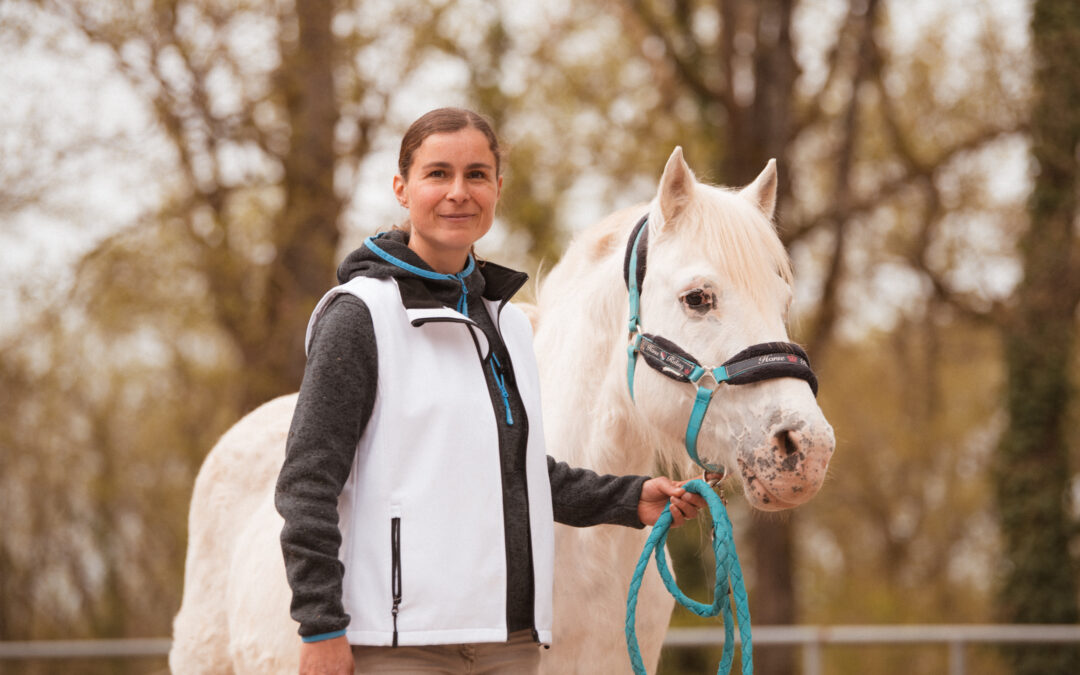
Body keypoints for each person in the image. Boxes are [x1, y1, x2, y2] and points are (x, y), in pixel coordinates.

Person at [274, 107, 707, 675]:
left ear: (497, 189)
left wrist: (627, 500)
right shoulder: (360, 317)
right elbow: (307, 483)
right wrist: (321, 625)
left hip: (511, 643)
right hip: (400, 646)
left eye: (477, 175)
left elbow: (515, 472)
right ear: (402, 188)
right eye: (438, 174)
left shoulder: (509, 326)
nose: (459, 192)